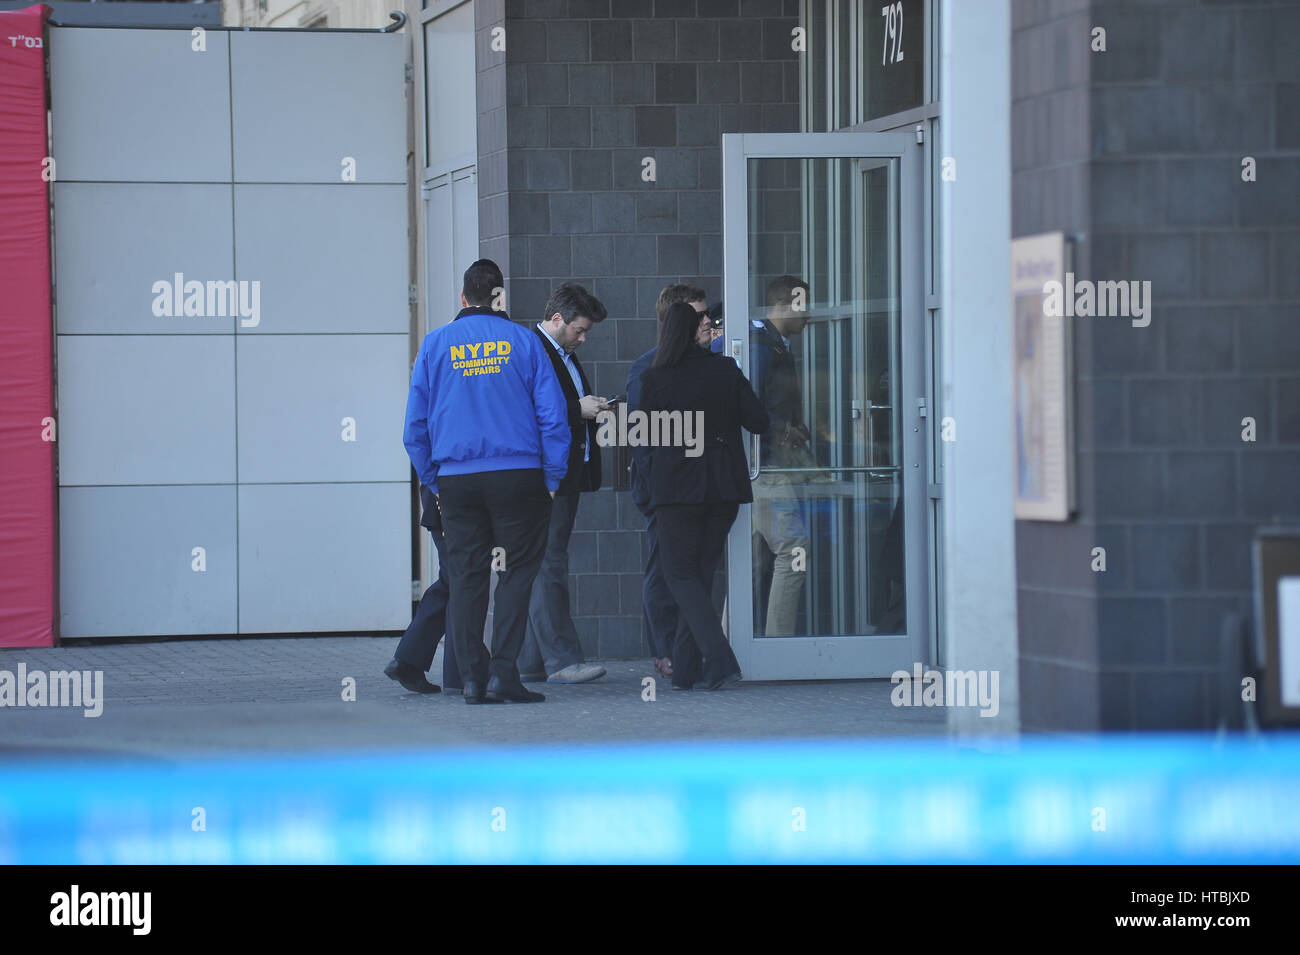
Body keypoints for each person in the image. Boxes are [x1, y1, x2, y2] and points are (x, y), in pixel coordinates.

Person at [403, 259, 570, 704]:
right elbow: (553, 417)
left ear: (463, 298)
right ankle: (504, 674)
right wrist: (553, 475)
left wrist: (434, 480)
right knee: (518, 573)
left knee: (465, 577)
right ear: (500, 297)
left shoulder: (436, 345)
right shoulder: (525, 342)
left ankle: (473, 680)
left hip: (457, 479)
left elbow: (414, 428)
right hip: (518, 474)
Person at [639, 302, 770, 690]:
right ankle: (686, 669)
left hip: (676, 486)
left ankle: (719, 656)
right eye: (705, 324)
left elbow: (644, 439)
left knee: (679, 574)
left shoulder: (655, 378)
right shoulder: (725, 370)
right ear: (692, 331)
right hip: (723, 485)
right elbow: (759, 421)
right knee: (699, 575)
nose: (710, 328)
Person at [517, 284, 611, 685]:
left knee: (543, 564)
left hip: (564, 475)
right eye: (579, 329)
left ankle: (528, 663)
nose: (583, 338)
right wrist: (579, 409)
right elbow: (526, 411)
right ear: (557, 320)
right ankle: (562, 660)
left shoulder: (561, 353)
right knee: (548, 565)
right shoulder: (532, 350)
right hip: (546, 478)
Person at [626, 284, 708, 678]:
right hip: (663, 490)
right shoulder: (647, 368)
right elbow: (641, 440)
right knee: (663, 569)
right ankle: (665, 650)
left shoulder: (709, 363)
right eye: (697, 316)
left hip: (697, 488)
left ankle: (687, 649)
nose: (706, 322)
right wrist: (651, 492)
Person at [750, 276, 812, 637]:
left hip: (770, 465)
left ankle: (732, 643)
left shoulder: (775, 345)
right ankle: (779, 646)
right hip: (767, 467)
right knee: (794, 550)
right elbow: (750, 403)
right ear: (783, 304)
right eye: (803, 306)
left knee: (756, 559)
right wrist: (780, 430)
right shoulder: (761, 347)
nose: (809, 316)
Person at [383, 484, 459, 693]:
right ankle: (457, 674)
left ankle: (409, 661)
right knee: (458, 581)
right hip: (447, 495)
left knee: (452, 580)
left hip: (443, 495)